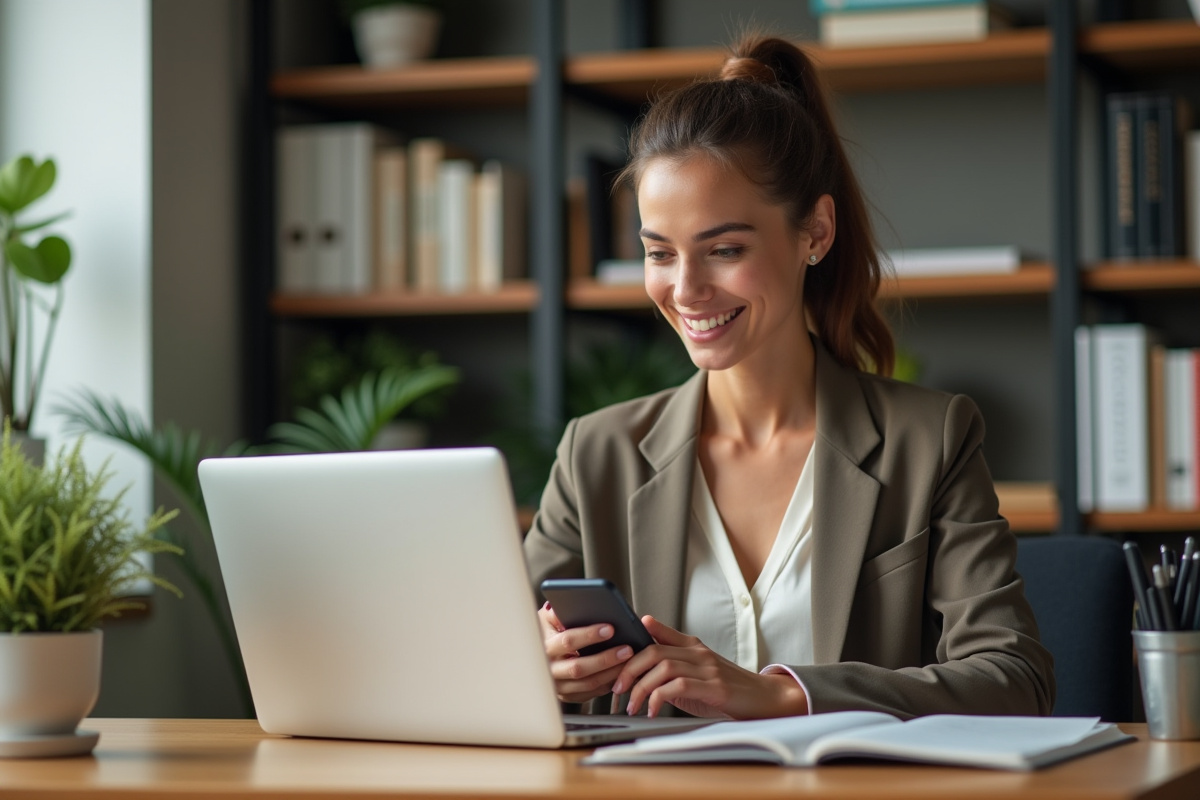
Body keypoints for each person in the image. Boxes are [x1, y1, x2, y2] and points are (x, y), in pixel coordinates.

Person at [523, 35, 1055, 721]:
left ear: (816, 233)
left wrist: (782, 694)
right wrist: (536, 668)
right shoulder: (595, 454)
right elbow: (485, 657)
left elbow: (1016, 680)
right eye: (660, 253)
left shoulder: (930, 441)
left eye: (724, 250)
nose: (685, 290)